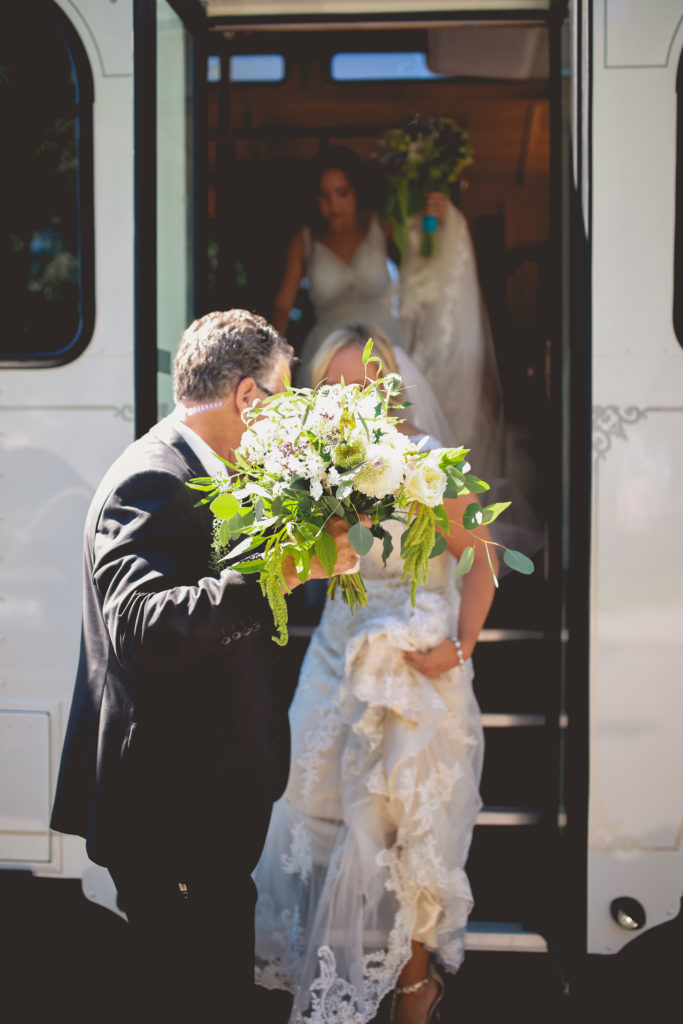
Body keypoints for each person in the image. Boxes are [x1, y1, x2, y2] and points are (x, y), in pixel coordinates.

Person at [49, 309, 364, 1022]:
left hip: (205, 803)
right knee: (192, 994)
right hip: (171, 811)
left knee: (209, 988)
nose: (285, 418)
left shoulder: (206, 470)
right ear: (247, 398)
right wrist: (279, 575)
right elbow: (141, 628)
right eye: (280, 399)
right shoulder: (154, 478)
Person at [253, 328, 496, 1024]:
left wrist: (461, 644)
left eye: (360, 386)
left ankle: (414, 991)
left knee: (402, 828)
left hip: (411, 662)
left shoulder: (424, 462)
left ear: (387, 387)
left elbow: (481, 556)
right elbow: (298, 568)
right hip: (335, 652)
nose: (346, 402)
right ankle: (327, 978)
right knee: (306, 805)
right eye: (330, 391)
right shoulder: (315, 474)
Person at [271, 143, 504, 488]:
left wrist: (437, 220)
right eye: (324, 196)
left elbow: (424, 262)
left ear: (356, 192)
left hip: (383, 346)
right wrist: (272, 362)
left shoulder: (383, 226)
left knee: (397, 431)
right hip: (328, 354)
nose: (333, 206)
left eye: (342, 193)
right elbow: (281, 306)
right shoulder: (304, 241)